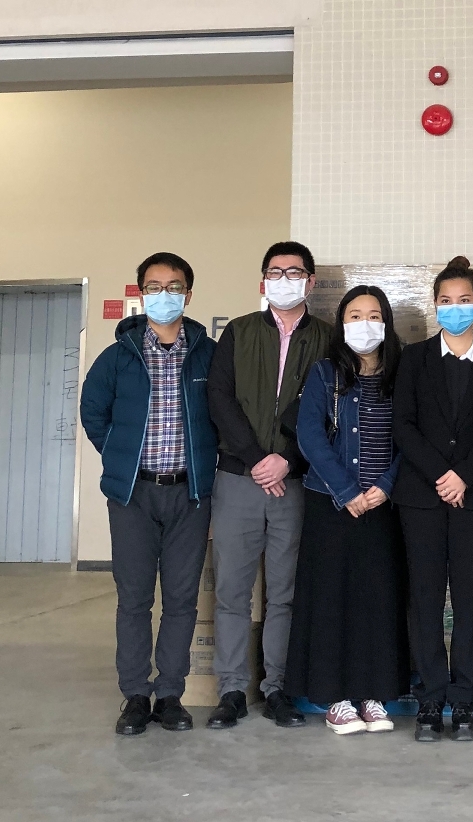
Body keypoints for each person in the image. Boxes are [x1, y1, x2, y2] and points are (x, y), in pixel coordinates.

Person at [80, 252, 218, 736]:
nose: (164, 295)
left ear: (188, 294)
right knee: (134, 599)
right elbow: (93, 412)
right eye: (154, 287)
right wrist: (121, 457)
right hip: (133, 496)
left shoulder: (208, 355)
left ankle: (171, 694)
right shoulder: (118, 356)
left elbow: (226, 415)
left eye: (174, 286)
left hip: (190, 495)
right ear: (141, 294)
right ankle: (136, 695)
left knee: (181, 600)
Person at [205, 241, 332, 730]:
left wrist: (288, 459)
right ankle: (232, 689)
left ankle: (276, 688)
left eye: (294, 272)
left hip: (295, 482)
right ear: (262, 280)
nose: (284, 280)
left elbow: (326, 409)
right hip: (238, 478)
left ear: (311, 281)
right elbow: (220, 399)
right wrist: (258, 459)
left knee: (285, 593)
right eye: (275, 272)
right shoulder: (238, 332)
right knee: (232, 592)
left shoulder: (327, 338)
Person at [392, 256, 473, 742]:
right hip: (421, 496)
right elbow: (403, 424)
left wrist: (464, 475)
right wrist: (441, 474)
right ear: (435, 305)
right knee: (424, 600)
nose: (455, 308)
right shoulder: (414, 358)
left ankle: (464, 698)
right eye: (446, 300)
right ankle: (430, 699)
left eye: (464, 300)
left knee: (467, 598)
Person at [285, 285, 411, 734]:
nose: (364, 324)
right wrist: (346, 490)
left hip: (383, 504)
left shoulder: (403, 372)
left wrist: (386, 486)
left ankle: (373, 694)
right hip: (331, 502)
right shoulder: (325, 373)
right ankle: (335, 698)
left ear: (387, 323)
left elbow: (412, 436)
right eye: (354, 316)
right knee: (330, 598)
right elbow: (309, 436)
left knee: (379, 597)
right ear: (341, 324)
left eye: (374, 315)